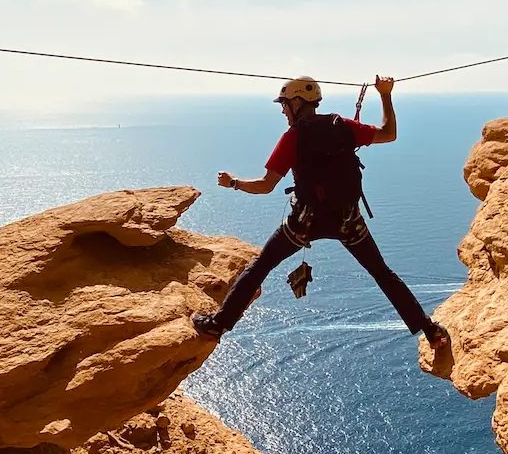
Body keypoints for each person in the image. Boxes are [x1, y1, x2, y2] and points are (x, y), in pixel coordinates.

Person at [191, 75, 450, 349]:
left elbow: (266, 186)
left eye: (285, 104)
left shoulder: (292, 138)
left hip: (304, 222)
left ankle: (218, 325)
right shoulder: (344, 126)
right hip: (347, 220)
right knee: (382, 273)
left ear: (298, 103)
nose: (282, 110)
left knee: (260, 267)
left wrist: (233, 183)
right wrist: (385, 94)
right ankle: (430, 330)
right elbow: (389, 133)